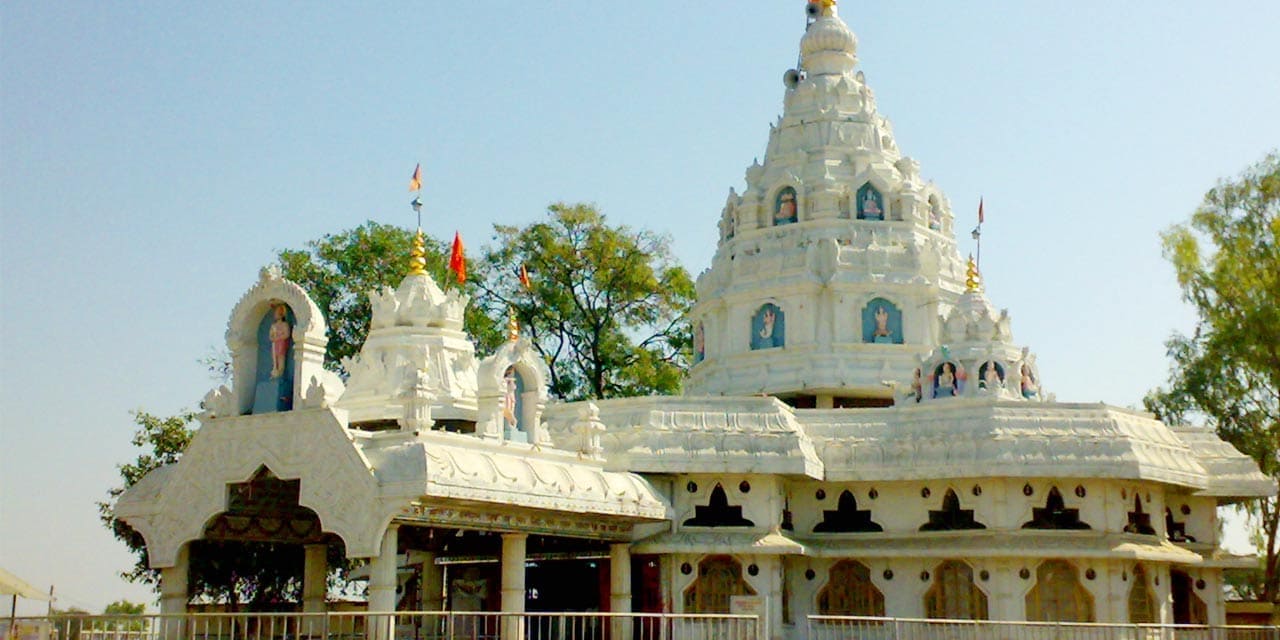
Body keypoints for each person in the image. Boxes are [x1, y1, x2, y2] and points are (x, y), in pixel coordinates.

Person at [268, 304, 291, 378]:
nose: (275, 315)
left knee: (281, 358)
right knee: (275, 359)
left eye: (277, 313)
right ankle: (275, 371)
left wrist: (278, 337)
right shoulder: (273, 326)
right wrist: (274, 337)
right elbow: (271, 336)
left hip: (281, 344)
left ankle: (280, 373)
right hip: (275, 344)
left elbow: (287, 334)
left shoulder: (285, 324)